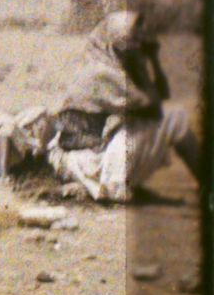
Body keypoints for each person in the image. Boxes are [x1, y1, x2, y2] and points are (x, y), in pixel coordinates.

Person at [47, 11, 201, 203]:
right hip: (81, 159)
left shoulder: (114, 65)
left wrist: (153, 60)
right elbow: (154, 108)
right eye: (131, 42)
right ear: (115, 41)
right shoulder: (101, 73)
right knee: (173, 118)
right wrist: (144, 65)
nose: (137, 47)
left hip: (94, 154)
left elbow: (161, 98)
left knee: (165, 119)